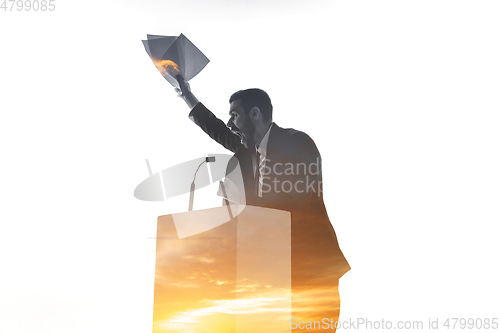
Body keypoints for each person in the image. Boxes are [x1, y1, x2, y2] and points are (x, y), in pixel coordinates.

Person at [175, 80, 350, 332]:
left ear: (255, 114)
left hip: (310, 269)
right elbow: (216, 128)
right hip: (274, 272)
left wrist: (242, 208)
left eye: (234, 115)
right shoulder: (248, 152)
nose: (230, 122)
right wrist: (187, 96)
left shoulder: (297, 142)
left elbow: (297, 200)